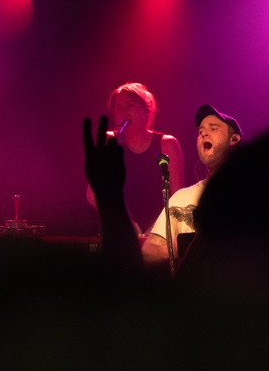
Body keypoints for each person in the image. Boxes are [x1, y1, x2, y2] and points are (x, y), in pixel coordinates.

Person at [142, 103, 241, 264]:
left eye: (213, 128)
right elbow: (147, 253)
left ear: (234, 139)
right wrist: (180, 246)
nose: (204, 134)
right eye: (200, 131)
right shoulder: (181, 198)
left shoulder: (254, 194)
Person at [86, 82, 185, 236]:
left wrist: (153, 233)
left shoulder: (167, 144)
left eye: (130, 106)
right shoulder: (108, 141)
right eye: (118, 108)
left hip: (161, 235)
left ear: (147, 110)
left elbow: (177, 198)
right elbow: (93, 195)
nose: (123, 113)